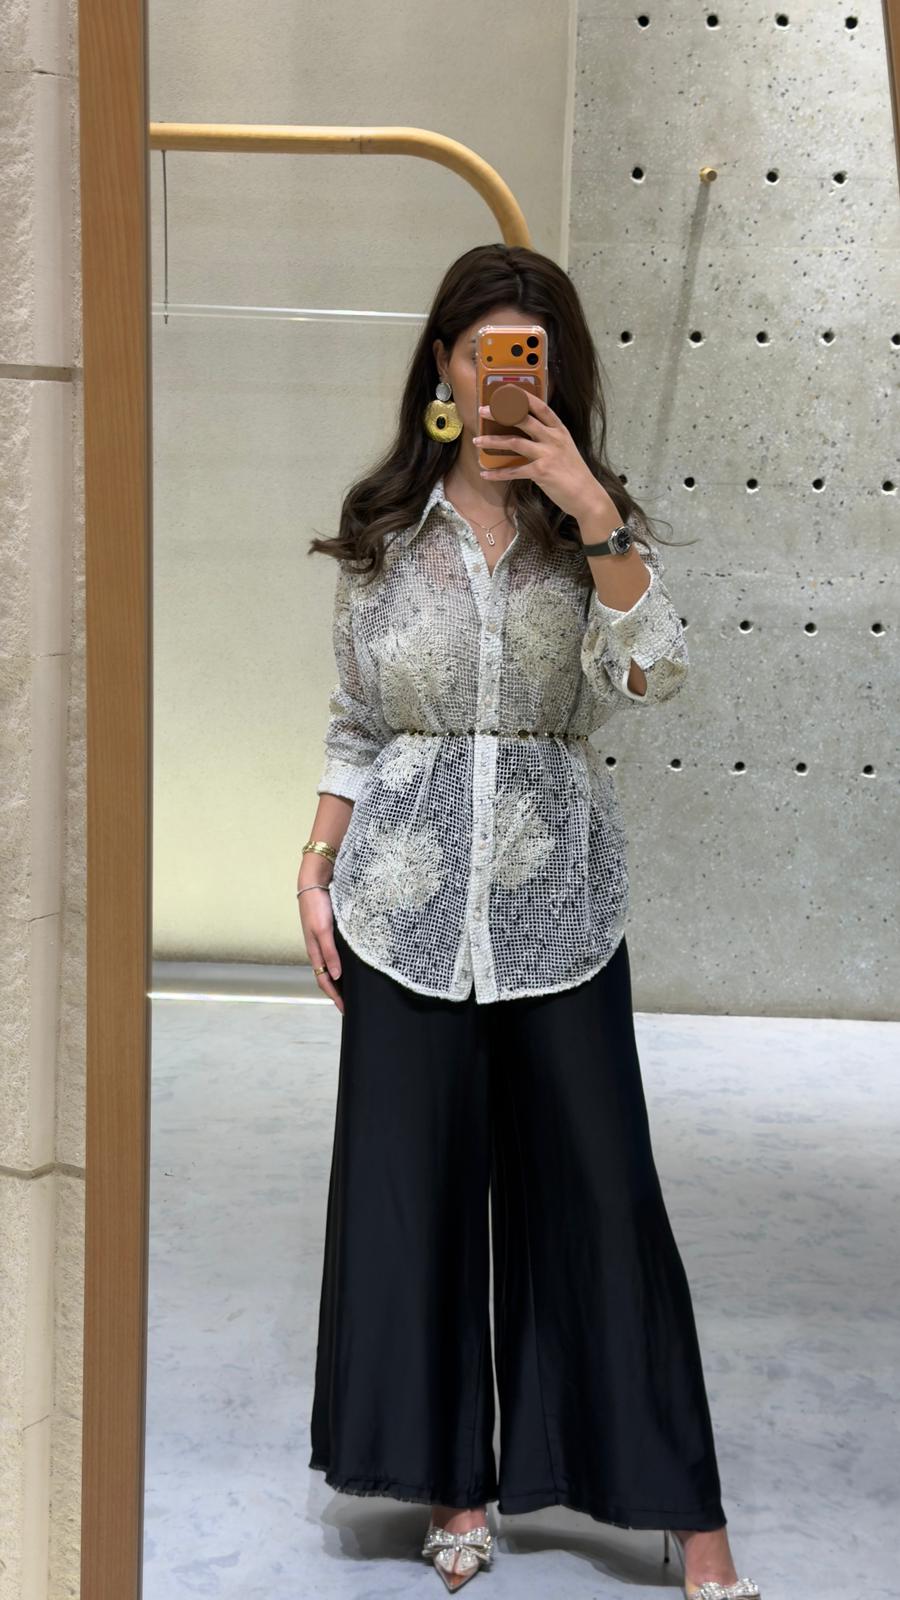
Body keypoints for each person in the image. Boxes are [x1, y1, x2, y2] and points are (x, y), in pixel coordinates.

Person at [298, 243, 760, 1599]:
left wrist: (592, 508)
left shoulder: (584, 525)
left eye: (530, 355)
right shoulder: (385, 533)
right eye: (481, 350)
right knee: (418, 1196)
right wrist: (314, 866)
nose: (503, 374)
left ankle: (683, 1506)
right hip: (400, 906)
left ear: (555, 371)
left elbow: (656, 674)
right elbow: (355, 719)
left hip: (560, 909)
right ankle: (456, 1483)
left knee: (605, 1194)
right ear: (443, 368)